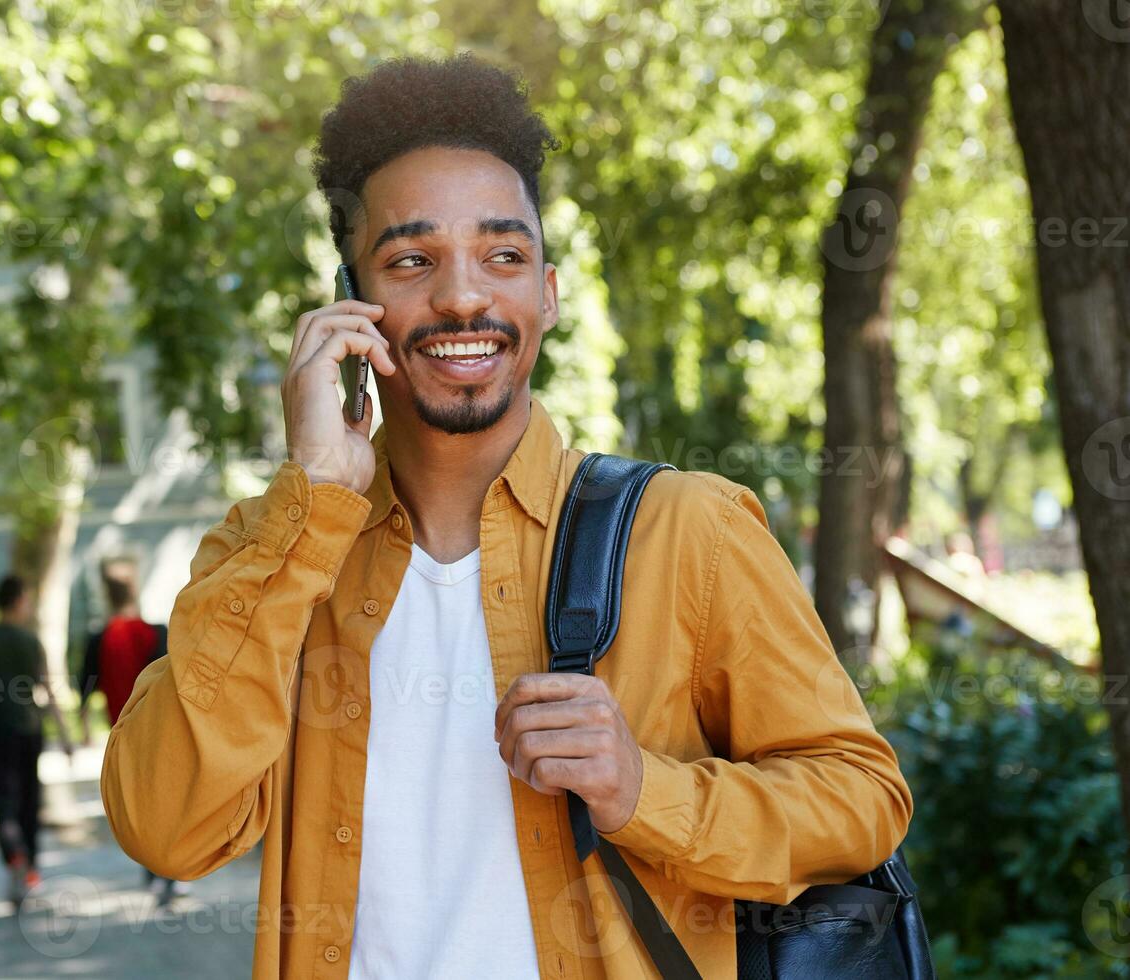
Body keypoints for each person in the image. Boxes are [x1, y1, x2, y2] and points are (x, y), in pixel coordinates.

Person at [102, 54, 913, 978]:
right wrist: (314, 499)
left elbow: (862, 799)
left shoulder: (689, 532)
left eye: (503, 255)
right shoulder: (272, 551)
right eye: (412, 259)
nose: (462, 296)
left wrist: (645, 790)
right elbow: (164, 828)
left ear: (549, 293)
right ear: (350, 301)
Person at [77, 560, 194, 911]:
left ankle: (150, 864)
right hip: (159, 729)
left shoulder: (99, 638)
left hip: (121, 730)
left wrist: (82, 727)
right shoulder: (156, 632)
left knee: (137, 800)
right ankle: (169, 874)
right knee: (167, 799)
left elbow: (84, 686)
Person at [0, 575, 73, 904]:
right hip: (29, 730)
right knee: (29, 800)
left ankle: (14, 854)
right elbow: (48, 689)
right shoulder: (30, 641)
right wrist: (65, 732)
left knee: (2, 800)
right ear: (18, 601)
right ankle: (29, 867)